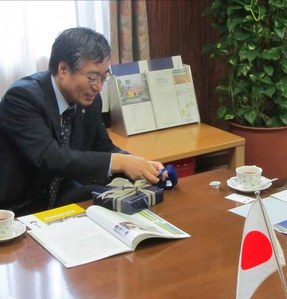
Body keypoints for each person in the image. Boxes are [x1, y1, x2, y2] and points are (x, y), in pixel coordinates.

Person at [0, 27, 166, 215]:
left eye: (104, 77)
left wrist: (139, 165)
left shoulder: (89, 101)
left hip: (63, 198)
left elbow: (103, 148)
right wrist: (119, 162)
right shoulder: (22, 97)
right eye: (92, 77)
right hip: (17, 208)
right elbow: (50, 158)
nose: (98, 87)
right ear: (63, 69)